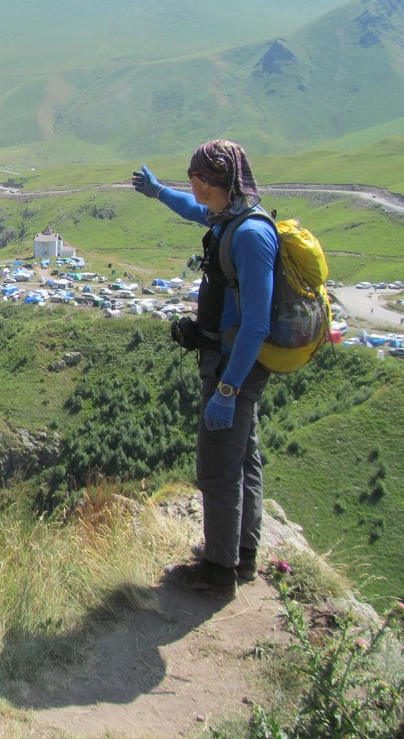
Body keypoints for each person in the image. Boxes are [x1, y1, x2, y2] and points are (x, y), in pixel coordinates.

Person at [133, 140, 278, 598]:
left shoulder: (251, 235)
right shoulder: (225, 219)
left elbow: (256, 323)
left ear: (211, 180)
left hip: (235, 368)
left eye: (193, 176)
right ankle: (242, 556)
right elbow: (187, 209)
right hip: (226, 360)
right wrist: (158, 192)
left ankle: (217, 572)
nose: (189, 182)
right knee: (244, 461)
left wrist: (228, 390)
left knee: (217, 469)